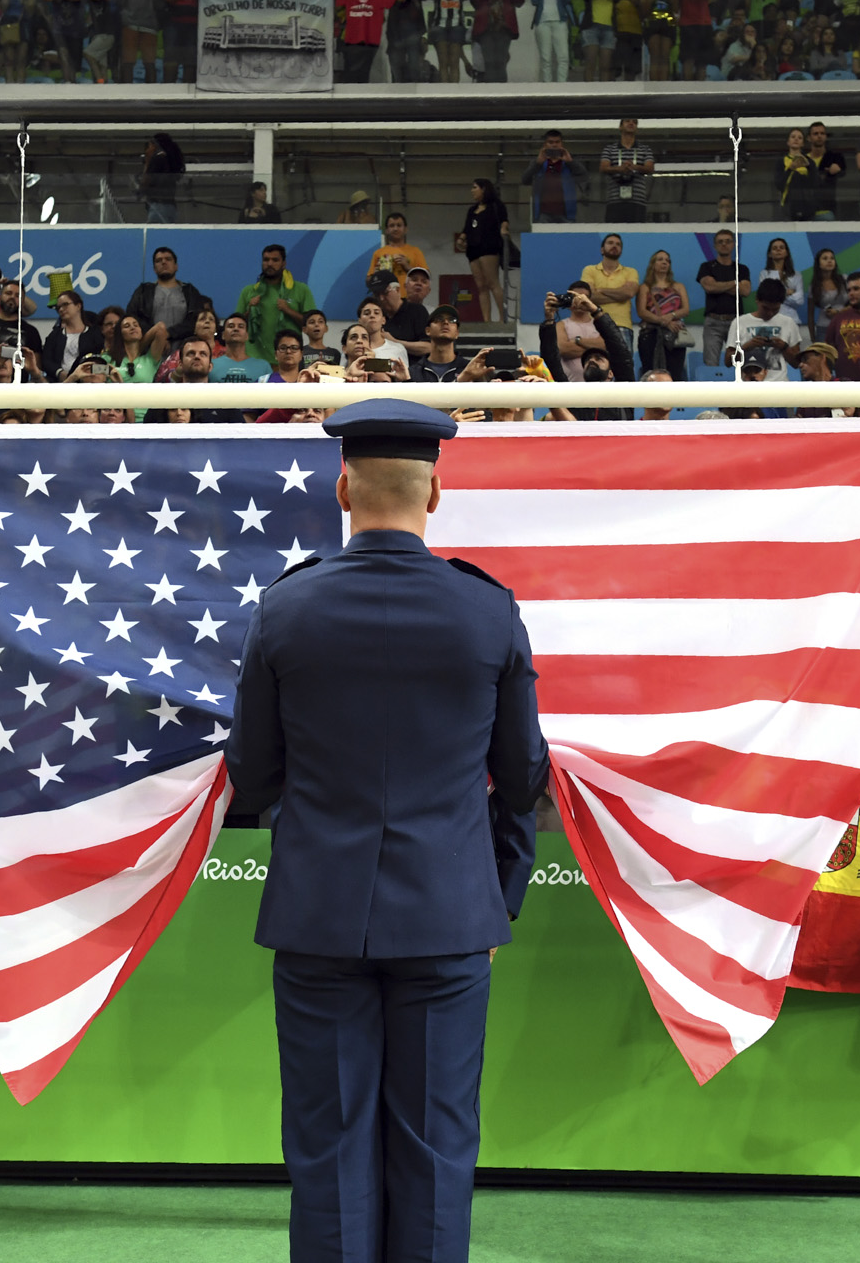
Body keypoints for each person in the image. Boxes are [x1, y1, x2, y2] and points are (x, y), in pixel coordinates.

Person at [225, 398, 548, 1263]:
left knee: (328, 1151)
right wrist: (495, 899)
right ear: (434, 494)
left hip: (319, 916)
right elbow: (523, 778)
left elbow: (250, 778)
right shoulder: (488, 611)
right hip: (448, 918)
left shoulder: (284, 609)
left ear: (342, 487)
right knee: (437, 1149)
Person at [237, 245, 317, 366]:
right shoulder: (249, 291)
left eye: (275, 260)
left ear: (284, 263)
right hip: (254, 359)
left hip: (287, 358)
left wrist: (288, 310)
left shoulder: (301, 289)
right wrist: (249, 310)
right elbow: (236, 327)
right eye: (266, 260)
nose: (269, 264)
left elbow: (310, 326)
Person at [695, 230, 750, 368]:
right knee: (711, 364)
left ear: (733, 245)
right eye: (720, 241)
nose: (724, 244)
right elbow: (709, 287)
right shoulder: (706, 267)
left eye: (728, 241)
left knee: (741, 363)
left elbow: (745, 291)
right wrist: (735, 283)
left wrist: (718, 285)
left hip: (736, 322)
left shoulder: (741, 269)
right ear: (715, 246)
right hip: (713, 322)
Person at [459, 179, 510, 327]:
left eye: (475, 187)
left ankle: (502, 318)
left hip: (489, 247)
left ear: (484, 189)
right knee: (481, 286)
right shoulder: (472, 210)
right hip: (473, 249)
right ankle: (486, 320)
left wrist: (504, 230)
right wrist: (462, 239)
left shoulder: (496, 206)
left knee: (492, 282)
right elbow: (466, 228)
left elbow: (504, 222)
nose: (472, 191)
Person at [633, 249, 690, 379]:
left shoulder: (678, 286)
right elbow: (642, 312)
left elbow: (685, 309)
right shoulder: (645, 287)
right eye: (660, 259)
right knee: (650, 374)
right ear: (653, 264)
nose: (664, 262)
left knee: (674, 374)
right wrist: (664, 322)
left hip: (674, 335)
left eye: (667, 260)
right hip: (650, 335)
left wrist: (671, 316)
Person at [582, 233, 638, 350]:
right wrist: (619, 295)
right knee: (595, 365)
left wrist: (601, 290)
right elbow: (589, 297)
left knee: (623, 367)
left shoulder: (630, 272)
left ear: (621, 251)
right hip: (594, 324)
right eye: (610, 243)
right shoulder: (590, 270)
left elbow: (629, 293)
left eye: (618, 244)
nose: (614, 246)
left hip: (622, 326)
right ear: (602, 250)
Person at [521, 130, 589, 224]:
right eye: (551, 142)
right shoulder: (538, 163)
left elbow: (584, 176)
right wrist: (538, 163)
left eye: (557, 142)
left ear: (562, 144)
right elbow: (525, 180)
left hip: (566, 213)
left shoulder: (568, 161)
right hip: (543, 213)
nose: (554, 145)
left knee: (568, 238)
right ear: (545, 144)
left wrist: (570, 162)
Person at [599, 118, 655, 223]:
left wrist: (634, 167)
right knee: (614, 232)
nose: (631, 123)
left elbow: (650, 168)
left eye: (634, 122)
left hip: (638, 201)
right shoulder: (609, 149)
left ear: (637, 128)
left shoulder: (645, 149)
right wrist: (619, 169)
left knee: (637, 234)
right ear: (620, 127)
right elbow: (603, 168)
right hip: (615, 200)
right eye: (627, 121)